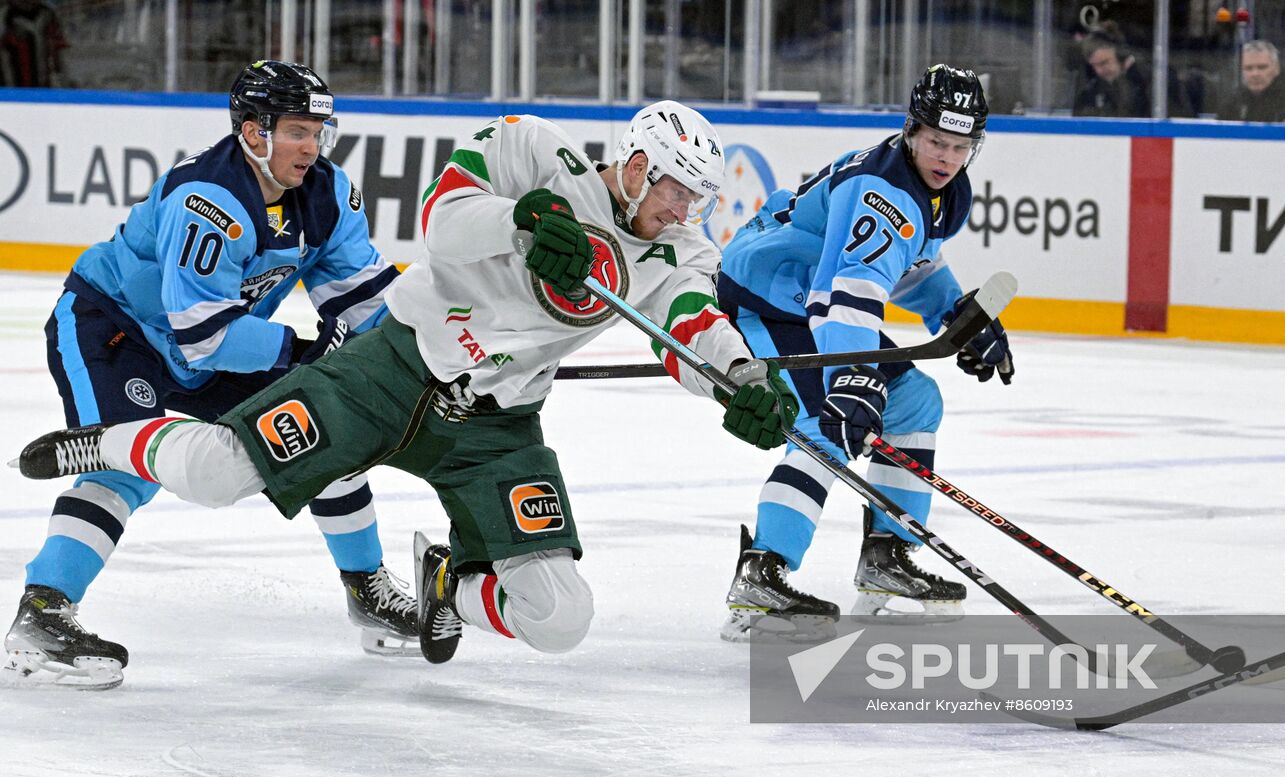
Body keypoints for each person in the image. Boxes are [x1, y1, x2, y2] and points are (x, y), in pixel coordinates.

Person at [14, 101, 799, 666]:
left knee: (561, 617)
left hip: (495, 426)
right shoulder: (534, 148)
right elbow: (442, 219)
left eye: (696, 198)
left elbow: (691, 323)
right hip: (394, 366)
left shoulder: (683, 251)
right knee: (217, 473)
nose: (684, 209)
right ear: (635, 166)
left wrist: (740, 378)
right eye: (674, 190)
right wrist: (521, 220)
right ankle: (109, 444)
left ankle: (445, 586)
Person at [3, 60, 417, 690]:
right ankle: (42, 615)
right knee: (123, 470)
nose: (312, 147)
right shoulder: (210, 199)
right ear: (253, 132)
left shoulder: (328, 194)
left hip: (210, 345)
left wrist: (420, 353)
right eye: (297, 131)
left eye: (317, 132)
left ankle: (369, 592)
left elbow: (366, 303)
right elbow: (205, 335)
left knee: (326, 426)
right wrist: (307, 354)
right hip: (115, 330)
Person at [714, 65, 1014, 642]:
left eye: (960, 146)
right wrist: (852, 375)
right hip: (769, 293)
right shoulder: (881, 190)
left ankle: (887, 557)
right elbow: (848, 287)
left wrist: (955, 315)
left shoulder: (944, 193)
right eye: (936, 141)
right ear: (911, 130)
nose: (947, 157)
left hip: (816, 300)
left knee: (914, 402)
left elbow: (908, 264)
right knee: (831, 422)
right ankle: (762, 571)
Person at [1220, 40, 1285, 123]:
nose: (1255, 74)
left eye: (1262, 67)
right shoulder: (1234, 101)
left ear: (1276, 68)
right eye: (1248, 68)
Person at [1072, 26, 1151, 118]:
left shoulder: (1148, 82)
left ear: (1121, 56)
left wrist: (1123, 81)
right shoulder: (1091, 89)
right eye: (1093, 65)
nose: (1099, 71)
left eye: (1104, 63)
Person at [0, 0, 67, 87]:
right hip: (11, 85)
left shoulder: (47, 13)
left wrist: (62, 76)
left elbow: (58, 48)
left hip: (42, 83)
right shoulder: (4, 14)